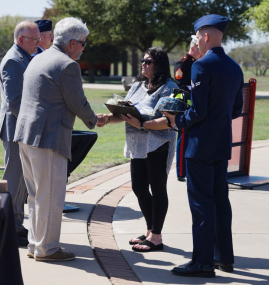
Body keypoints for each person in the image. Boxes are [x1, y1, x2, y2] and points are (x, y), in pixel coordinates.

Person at [14, 17, 106, 262]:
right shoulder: (67, 65)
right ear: (73, 43)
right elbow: (77, 102)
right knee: (52, 197)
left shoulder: (38, 58)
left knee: (35, 196)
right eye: (83, 44)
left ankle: (36, 244)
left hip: (26, 135)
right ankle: (47, 249)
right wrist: (96, 120)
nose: (84, 48)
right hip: (48, 137)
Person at [164, 14, 243, 277]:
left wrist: (177, 120)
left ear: (205, 36)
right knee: (221, 201)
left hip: (200, 146)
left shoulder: (201, 66)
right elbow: (236, 109)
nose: (196, 40)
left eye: (197, 35)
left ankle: (202, 262)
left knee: (201, 204)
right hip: (222, 144)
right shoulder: (235, 67)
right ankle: (225, 257)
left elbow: (197, 111)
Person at [104, 47, 178, 252]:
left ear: (159, 65)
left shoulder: (169, 88)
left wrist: (143, 124)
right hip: (138, 145)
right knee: (138, 187)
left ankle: (156, 237)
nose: (143, 64)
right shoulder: (137, 86)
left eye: (148, 62)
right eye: (143, 61)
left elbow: (168, 121)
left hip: (158, 145)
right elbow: (124, 113)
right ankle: (149, 231)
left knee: (158, 188)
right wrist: (106, 119)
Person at [0, 21, 41, 247]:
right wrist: (34, 122)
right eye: (35, 40)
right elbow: (14, 101)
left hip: (21, 128)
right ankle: (5, 227)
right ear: (22, 39)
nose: (39, 43)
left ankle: (15, 225)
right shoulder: (14, 60)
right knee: (13, 181)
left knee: (22, 182)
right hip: (16, 128)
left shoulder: (23, 56)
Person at [173, 36, 202, 182]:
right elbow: (179, 88)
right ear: (193, 48)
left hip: (195, 107)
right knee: (183, 140)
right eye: (199, 49)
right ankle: (181, 171)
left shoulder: (198, 63)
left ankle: (190, 169)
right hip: (185, 107)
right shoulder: (182, 64)